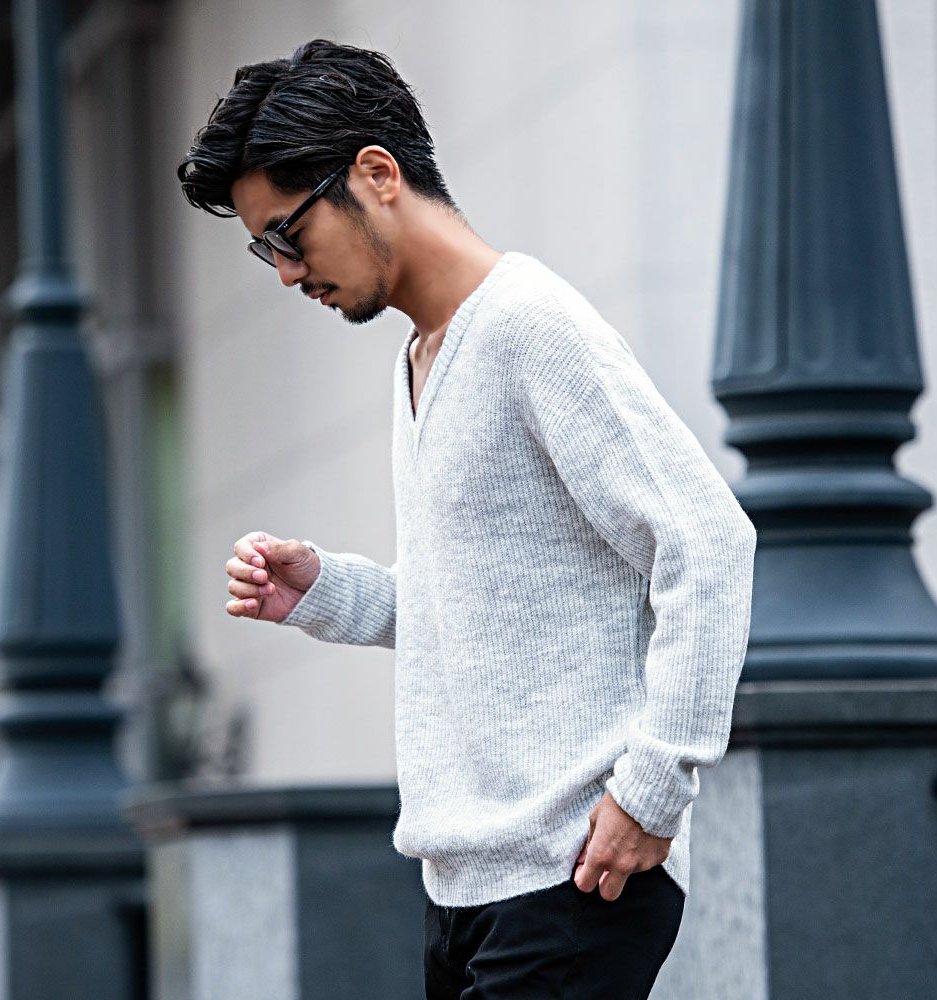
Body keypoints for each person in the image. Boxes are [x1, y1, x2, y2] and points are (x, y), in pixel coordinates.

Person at [177, 38, 756, 999]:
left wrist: (654, 789)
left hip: (569, 880)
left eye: (288, 233)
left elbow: (708, 540)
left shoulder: (529, 326)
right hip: (466, 892)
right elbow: (474, 604)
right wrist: (325, 591)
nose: (284, 273)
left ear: (377, 174)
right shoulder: (421, 359)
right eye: (264, 249)